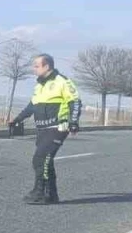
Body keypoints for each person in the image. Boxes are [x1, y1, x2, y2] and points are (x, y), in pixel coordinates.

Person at [10, 53, 80, 204]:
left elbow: (75, 102)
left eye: (36, 66)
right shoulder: (40, 85)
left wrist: (74, 122)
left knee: (40, 159)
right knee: (47, 161)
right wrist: (17, 119)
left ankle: (40, 192)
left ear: (46, 66)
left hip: (57, 127)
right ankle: (51, 194)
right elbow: (32, 106)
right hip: (42, 129)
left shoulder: (62, 81)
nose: (33, 69)